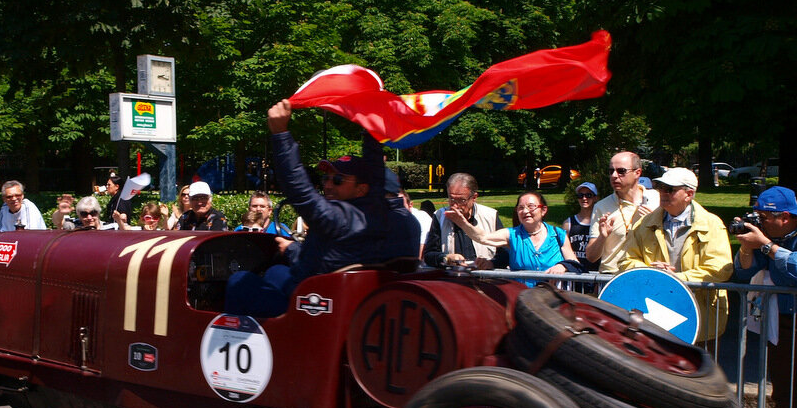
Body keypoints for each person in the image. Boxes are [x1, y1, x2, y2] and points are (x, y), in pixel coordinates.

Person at [224, 99, 419, 317]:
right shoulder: (382, 213)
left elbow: (300, 192)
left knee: (239, 280)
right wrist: (371, 128)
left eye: (337, 180)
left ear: (361, 189)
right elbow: (374, 173)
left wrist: (280, 135)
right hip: (346, 301)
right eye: (325, 177)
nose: (327, 184)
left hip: (312, 309)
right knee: (276, 272)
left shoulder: (340, 218)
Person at [621, 168, 732, 342]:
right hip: (654, 315)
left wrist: (678, 279)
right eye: (661, 187)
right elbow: (626, 261)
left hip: (699, 316)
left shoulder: (712, 224)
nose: (663, 193)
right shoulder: (644, 224)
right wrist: (653, 273)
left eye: (670, 189)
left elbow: (720, 268)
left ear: (689, 194)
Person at [732, 186, 797, 408]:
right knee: (783, 391)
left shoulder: (779, 240)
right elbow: (744, 273)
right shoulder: (766, 236)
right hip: (780, 323)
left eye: (764, 215)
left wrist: (768, 246)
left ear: (785, 217)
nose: (759, 220)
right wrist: (748, 247)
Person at [456, 191, 579, 286]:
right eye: (521, 208)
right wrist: (463, 223)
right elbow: (483, 237)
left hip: (552, 303)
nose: (525, 211)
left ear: (543, 210)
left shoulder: (559, 235)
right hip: (522, 301)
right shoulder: (512, 235)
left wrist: (563, 266)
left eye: (531, 206)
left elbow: (575, 264)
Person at [585, 151, 660, 273]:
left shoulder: (658, 200)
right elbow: (591, 257)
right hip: (612, 276)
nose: (614, 175)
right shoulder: (601, 206)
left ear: (637, 173)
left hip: (649, 275)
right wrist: (602, 237)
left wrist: (653, 224)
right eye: (611, 171)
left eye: (621, 171)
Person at [423, 173, 508, 270]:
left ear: (474, 197)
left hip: (485, 279)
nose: (455, 206)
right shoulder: (439, 216)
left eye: (461, 200)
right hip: (453, 279)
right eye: (451, 199)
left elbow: (506, 253)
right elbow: (429, 255)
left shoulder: (490, 216)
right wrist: (446, 258)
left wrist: (491, 263)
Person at [562, 182, 600, 273]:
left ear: (595, 198)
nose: (584, 198)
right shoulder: (568, 223)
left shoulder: (600, 222)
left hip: (595, 272)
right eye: (580, 195)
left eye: (588, 195)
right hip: (575, 272)